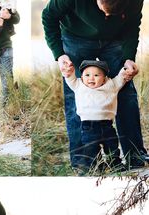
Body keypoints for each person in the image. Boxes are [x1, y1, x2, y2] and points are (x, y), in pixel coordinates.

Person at [42, 0, 149, 170]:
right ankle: (83, 161)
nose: (106, 16)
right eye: (104, 10)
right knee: (76, 96)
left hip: (115, 40)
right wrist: (59, 54)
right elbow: (48, 16)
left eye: (113, 13)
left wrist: (129, 57)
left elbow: (132, 24)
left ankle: (134, 155)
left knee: (126, 92)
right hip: (76, 38)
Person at [64, 59, 130, 173]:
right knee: (90, 149)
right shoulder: (79, 85)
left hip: (107, 125)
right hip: (88, 126)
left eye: (96, 75)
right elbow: (70, 78)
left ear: (104, 78)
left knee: (112, 147)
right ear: (82, 77)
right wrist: (69, 72)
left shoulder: (111, 85)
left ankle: (115, 164)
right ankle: (95, 166)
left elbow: (121, 78)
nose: (91, 78)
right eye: (87, 75)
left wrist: (126, 70)